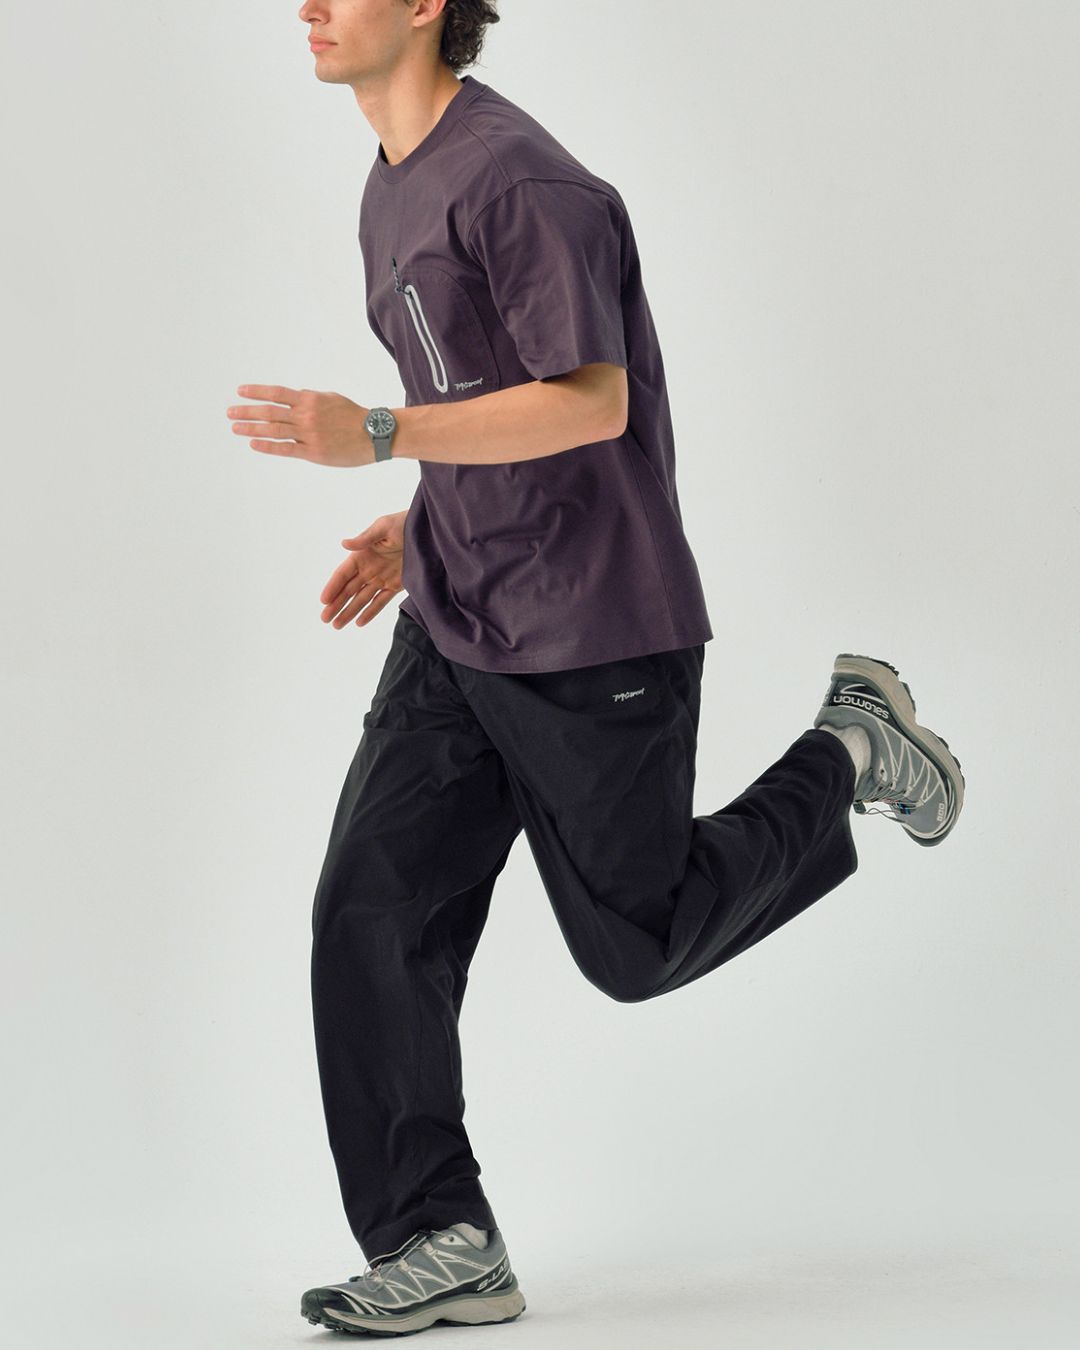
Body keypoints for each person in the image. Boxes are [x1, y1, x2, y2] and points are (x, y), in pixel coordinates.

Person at [225, 1, 966, 1336]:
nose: (311, 5)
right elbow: (486, 394)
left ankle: (853, 744)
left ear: (427, 6)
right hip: (461, 607)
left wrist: (381, 433)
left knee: (638, 942)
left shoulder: (521, 181)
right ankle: (441, 1237)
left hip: (591, 626)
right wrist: (427, 516)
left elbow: (589, 399)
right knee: (371, 908)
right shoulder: (391, 179)